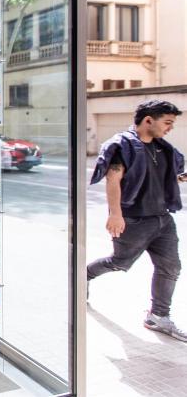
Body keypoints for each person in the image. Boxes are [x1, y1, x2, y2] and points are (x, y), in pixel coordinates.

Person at [88, 100, 187, 341]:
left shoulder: (162, 148)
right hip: (135, 220)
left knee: (171, 267)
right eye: (167, 122)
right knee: (119, 262)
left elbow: (163, 177)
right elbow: (113, 180)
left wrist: (181, 177)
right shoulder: (122, 146)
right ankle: (84, 275)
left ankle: (158, 316)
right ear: (148, 120)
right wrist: (115, 214)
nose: (170, 128)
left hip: (162, 218)